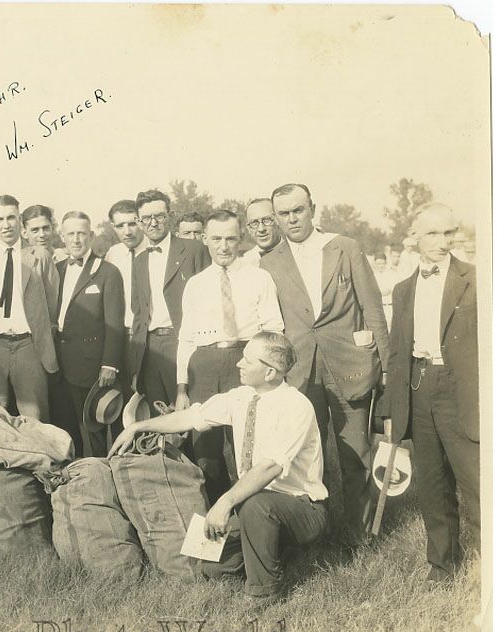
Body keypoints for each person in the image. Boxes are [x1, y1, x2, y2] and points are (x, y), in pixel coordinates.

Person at [110, 331, 327, 604]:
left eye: (248, 360)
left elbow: (270, 467)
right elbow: (190, 417)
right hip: (255, 508)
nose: (239, 364)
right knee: (213, 566)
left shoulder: (296, 406)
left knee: (256, 504)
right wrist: (139, 427)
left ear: (270, 372)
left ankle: (263, 593)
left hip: (301, 508)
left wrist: (225, 502)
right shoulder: (241, 397)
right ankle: (278, 551)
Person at [261, 183, 389, 543]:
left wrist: (387, 368)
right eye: (283, 213)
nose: (292, 219)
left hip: (349, 365)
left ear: (312, 209)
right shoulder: (268, 263)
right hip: (301, 371)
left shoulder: (345, 248)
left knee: (355, 453)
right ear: (276, 218)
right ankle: (311, 534)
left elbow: (374, 309)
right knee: (302, 457)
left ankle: (359, 534)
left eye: (298, 210)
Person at [377, 203, 479, 584]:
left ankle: (490, 564)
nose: (443, 241)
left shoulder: (476, 279)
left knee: (475, 479)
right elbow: (397, 352)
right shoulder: (404, 290)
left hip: (461, 390)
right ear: (414, 239)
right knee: (432, 484)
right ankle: (442, 564)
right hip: (419, 389)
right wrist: (391, 407)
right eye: (434, 233)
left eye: (449, 232)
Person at [176, 210, 284, 501]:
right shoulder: (195, 284)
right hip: (204, 364)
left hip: (245, 360)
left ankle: (251, 513)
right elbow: (186, 338)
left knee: (247, 443)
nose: (223, 246)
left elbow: (273, 328)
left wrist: (266, 372)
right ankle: (220, 520)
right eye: (216, 239)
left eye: (230, 239)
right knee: (206, 449)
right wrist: (182, 388)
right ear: (204, 239)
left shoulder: (259, 278)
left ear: (240, 239)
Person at [0, 194, 59, 421]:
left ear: (19, 219)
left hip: (28, 345)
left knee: (35, 414)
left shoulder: (39, 256)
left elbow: (52, 304)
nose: (6, 224)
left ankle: (41, 456)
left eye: (11, 217)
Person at [128, 188, 210, 411]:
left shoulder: (195, 250)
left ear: (170, 216)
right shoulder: (138, 261)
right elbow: (139, 315)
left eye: (159, 216)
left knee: (191, 418)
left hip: (183, 344)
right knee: (159, 419)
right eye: (146, 218)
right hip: (151, 351)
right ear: (138, 221)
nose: (153, 223)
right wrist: (136, 365)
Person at [51, 211, 124, 457]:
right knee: (65, 430)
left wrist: (110, 364)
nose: (76, 239)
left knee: (93, 431)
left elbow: (115, 323)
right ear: (62, 237)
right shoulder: (56, 270)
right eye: (70, 234)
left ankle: (98, 483)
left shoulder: (108, 272)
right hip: (58, 364)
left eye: (81, 233)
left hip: (91, 366)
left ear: (91, 235)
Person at [104, 199, 149, 382]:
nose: (127, 231)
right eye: (120, 226)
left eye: (132, 223)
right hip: (122, 337)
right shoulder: (113, 254)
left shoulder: (155, 250)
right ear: (113, 227)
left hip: (150, 338)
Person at [242, 197, 282, 267]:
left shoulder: (295, 252)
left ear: (277, 221)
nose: (261, 229)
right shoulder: (244, 262)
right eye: (254, 223)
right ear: (248, 228)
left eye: (267, 220)